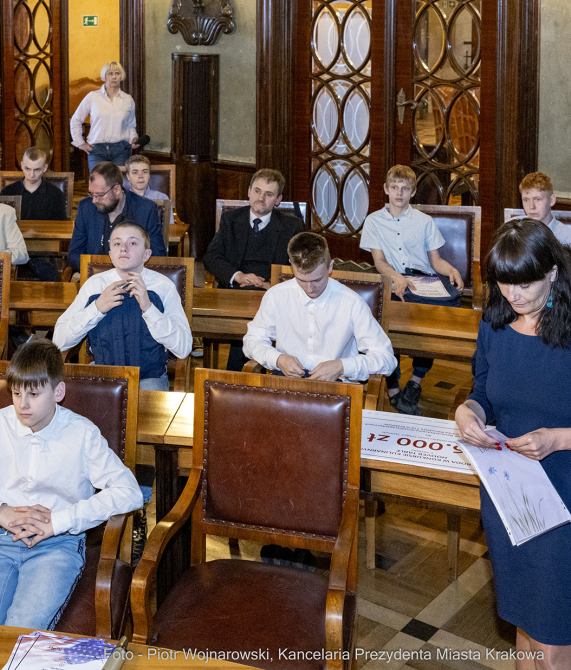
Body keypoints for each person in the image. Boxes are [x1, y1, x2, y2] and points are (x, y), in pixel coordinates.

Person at [0, 338, 142, 629]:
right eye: (16, 393)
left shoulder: (81, 433)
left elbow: (129, 492)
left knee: (25, 629)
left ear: (58, 391)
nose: (22, 404)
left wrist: (59, 521)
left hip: (57, 545)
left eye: (33, 394)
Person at [455, 218, 571, 665]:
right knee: (525, 630)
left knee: (553, 638)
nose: (513, 295)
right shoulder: (495, 323)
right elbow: (482, 391)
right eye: (504, 283)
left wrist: (558, 438)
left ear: (553, 273)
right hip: (512, 494)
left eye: (524, 283)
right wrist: (469, 412)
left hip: (564, 493)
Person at [360, 164, 464, 415]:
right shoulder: (373, 221)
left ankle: (416, 381)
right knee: (386, 325)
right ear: (385, 189)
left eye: (405, 189)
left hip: (423, 281)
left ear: (413, 192)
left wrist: (451, 270)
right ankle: (393, 386)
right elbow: (379, 262)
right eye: (394, 188)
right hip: (390, 280)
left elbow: (435, 261)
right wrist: (396, 277)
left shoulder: (424, 222)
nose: (399, 193)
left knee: (428, 324)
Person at [54, 221, 191, 392]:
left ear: (146, 254)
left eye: (133, 243)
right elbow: (59, 341)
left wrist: (149, 308)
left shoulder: (162, 287)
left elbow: (184, 347)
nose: (124, 248)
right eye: (117, 243)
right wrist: (96, 308)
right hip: (103, 375)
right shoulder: (95, 285)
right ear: (110, 254)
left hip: (148, 379)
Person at [243, 231, 397, 383]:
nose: (310, 288)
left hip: (335, 386)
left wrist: (342, 366)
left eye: (317, 280)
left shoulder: (351, 303)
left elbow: (387, 359)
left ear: (330, 267)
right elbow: (252, 341)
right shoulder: (276, 295)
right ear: (291, 267)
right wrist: (277, 359)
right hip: (287, 381)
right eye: (302, 280)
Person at [67, 162, 165, 271]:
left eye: (99, 195)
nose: (94, 200)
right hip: (95, 276)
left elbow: (157, 257)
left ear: (117, 189)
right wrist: (98, 271)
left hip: (133, 279)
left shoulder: (146, 209)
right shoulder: (86, 207)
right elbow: (74, 254)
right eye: (91, 194)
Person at [0, 147, 66, 281]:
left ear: (45, 168)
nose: (31, 175)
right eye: (27, 169)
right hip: (14, 247)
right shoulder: (8, 192)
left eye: (37, 170)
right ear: (21, 165)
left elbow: (60, 227)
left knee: (47, 271)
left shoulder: (55, 194)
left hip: (44, 249)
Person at [70, 61, 139, 170]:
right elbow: (76, 120)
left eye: (117, 73)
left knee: (118, 184)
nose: (114, 77)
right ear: (104, 76)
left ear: (121, 76)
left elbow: (131, 125)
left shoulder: (128, 99)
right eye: (110, 74)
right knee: (97, 184)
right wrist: (79, 142)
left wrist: (133, 139)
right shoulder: (92, 97)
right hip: (97, 150)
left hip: (121, 150)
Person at [519, 171, 571, 246]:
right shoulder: (516, 233)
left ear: (551, 200)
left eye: (537, 199)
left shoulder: (567, 239)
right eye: (526, 200)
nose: (531, 206)